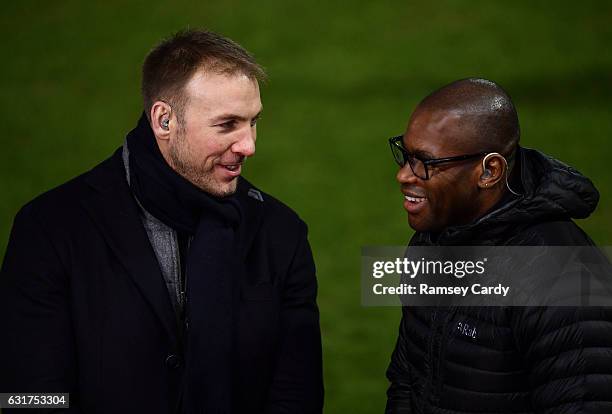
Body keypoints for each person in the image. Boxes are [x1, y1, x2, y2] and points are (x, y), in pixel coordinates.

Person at [0, 30, 323, 414]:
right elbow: (29, 397)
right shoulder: (50, 229)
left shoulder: (281, 234)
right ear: (164, 120)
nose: (249, 144)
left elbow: (296, 396)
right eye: (227, 125)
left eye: (253, 122)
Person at [385, 78, 612, 413]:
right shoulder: (433, 240)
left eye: (425, 162)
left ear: (489, 171)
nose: (404, 175)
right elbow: (407, 381)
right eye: (405, 154)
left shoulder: (562, 277)